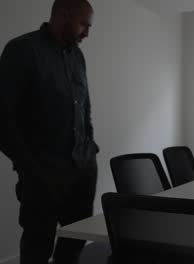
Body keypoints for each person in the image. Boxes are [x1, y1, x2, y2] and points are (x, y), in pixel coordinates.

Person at [0, 1, 98, 263]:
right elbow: (3, 119)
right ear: (64, 14)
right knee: (37, 246)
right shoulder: (22, 50)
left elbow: (83, 107)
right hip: (42, 174)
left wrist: (90, 149)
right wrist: (30, 168)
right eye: (83, 24)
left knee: (75, 241)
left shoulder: (77, 56)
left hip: (83, 169)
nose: (87, 33)